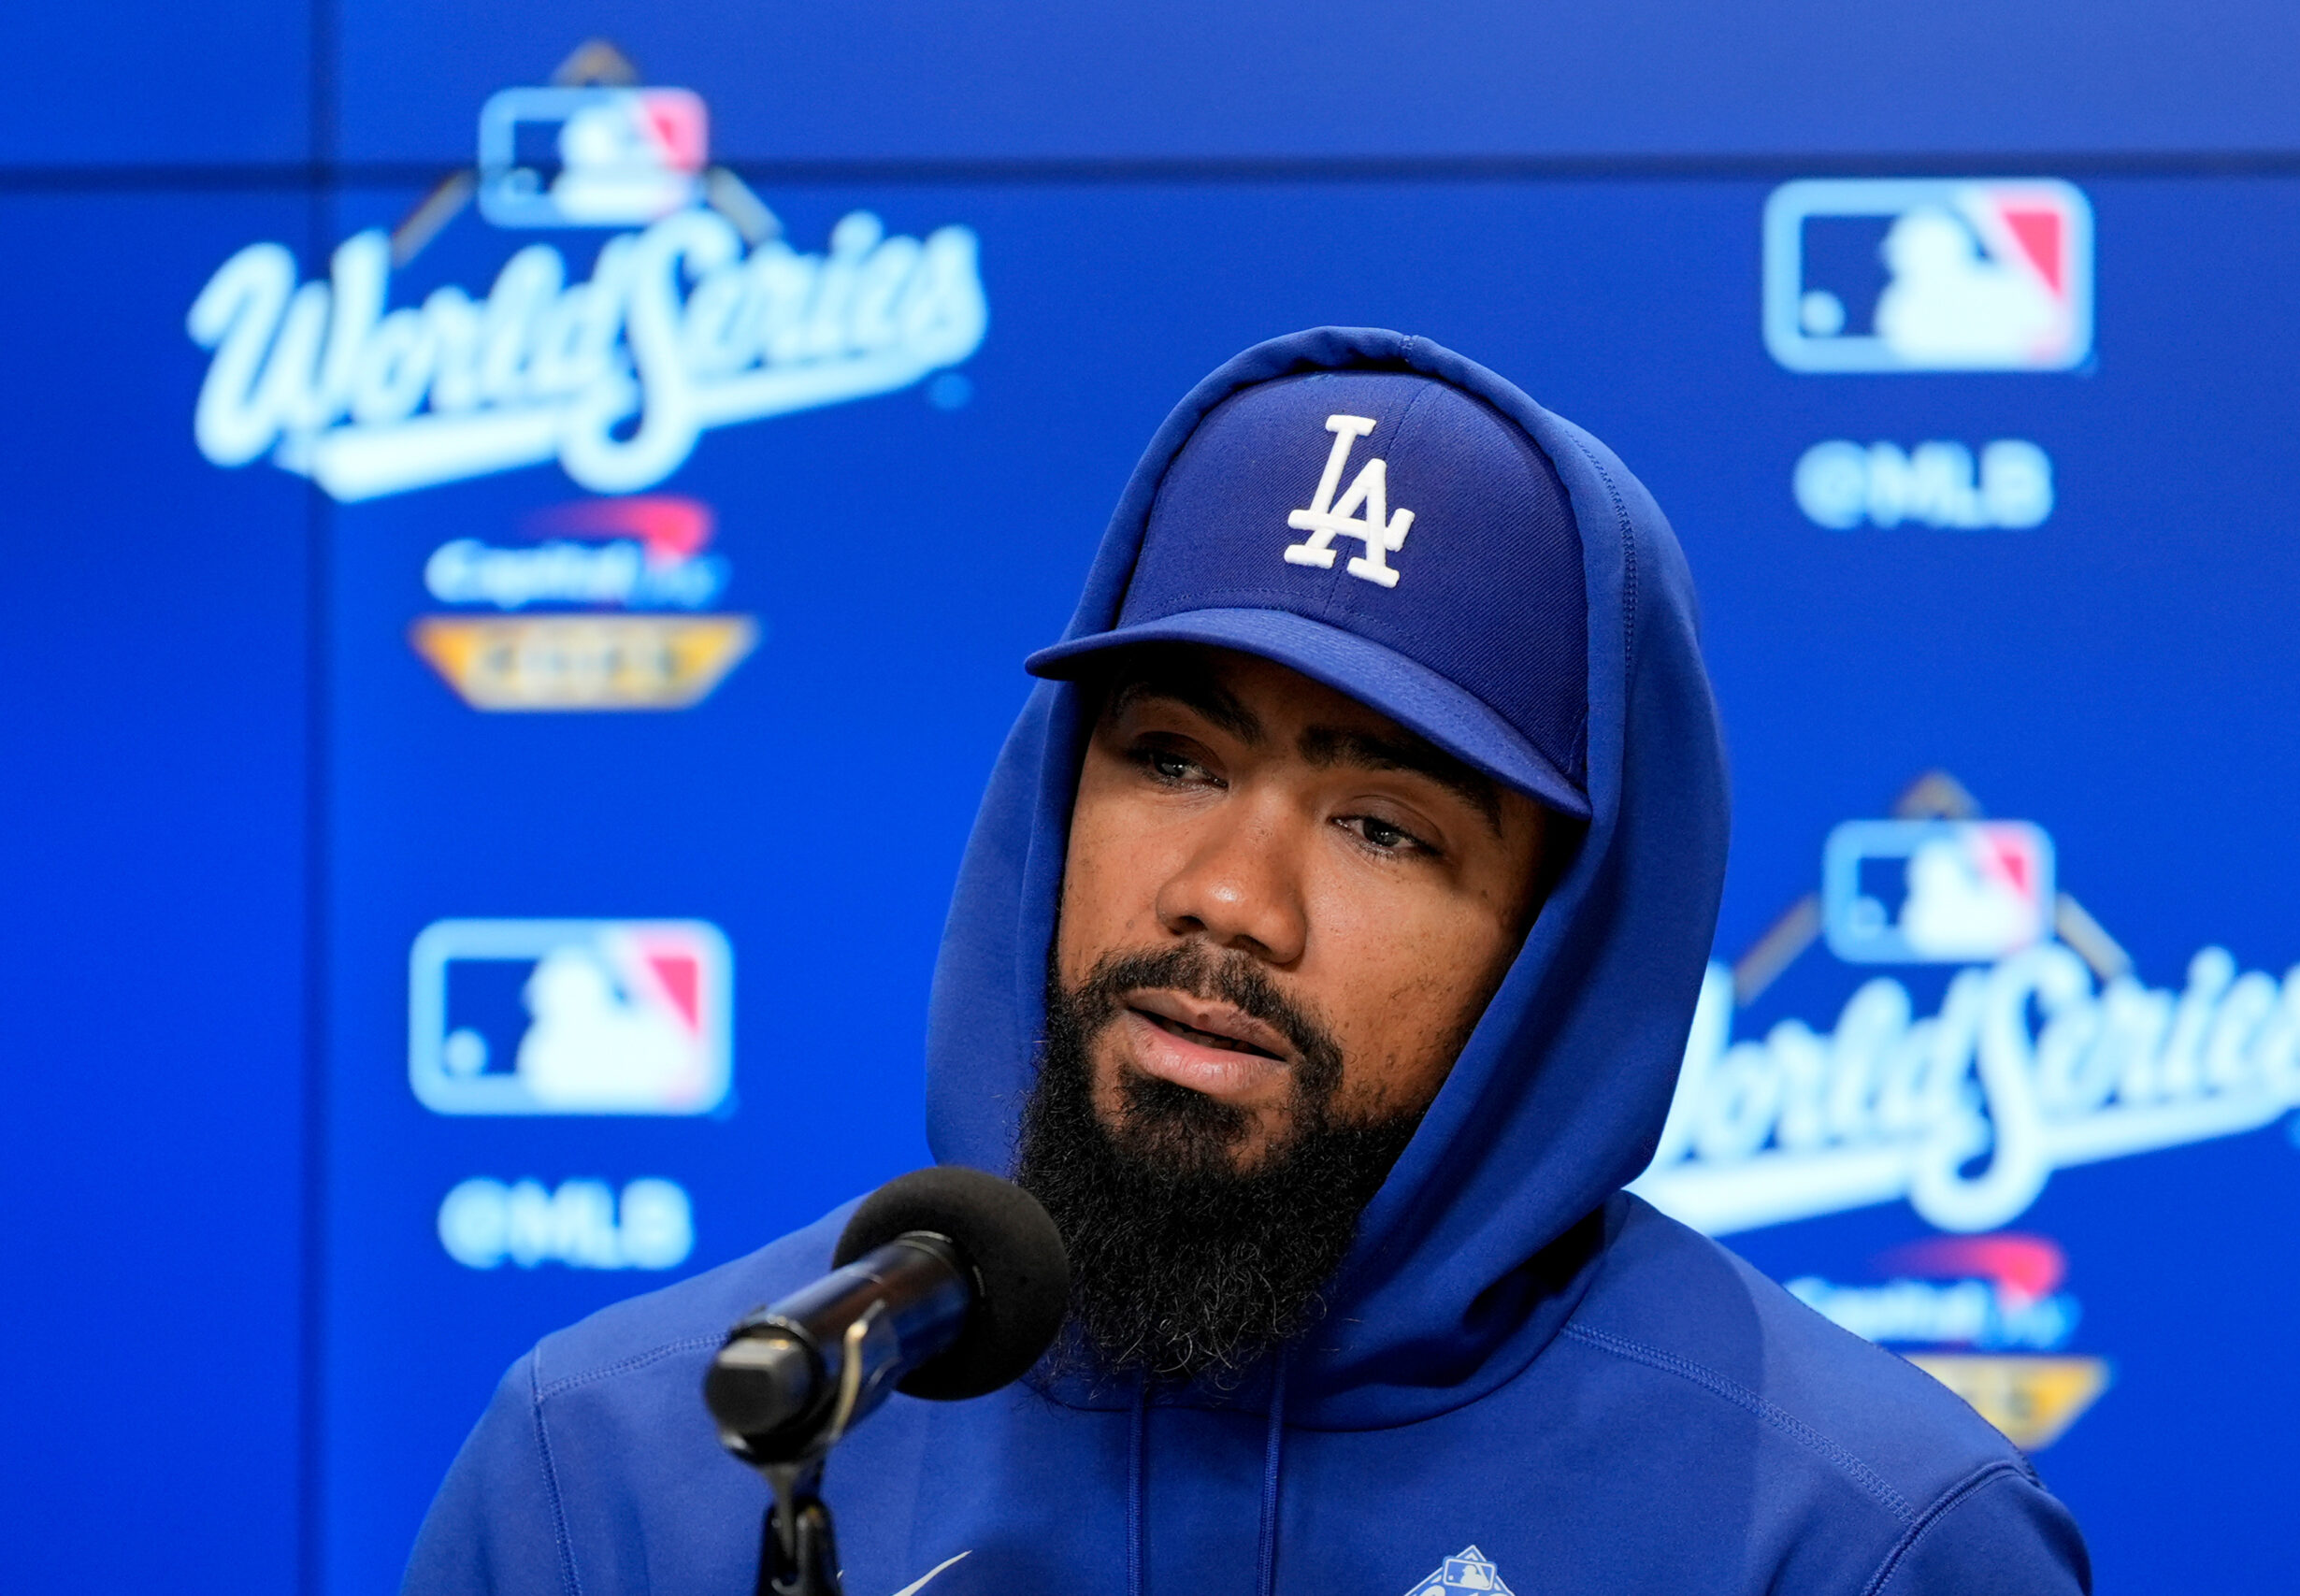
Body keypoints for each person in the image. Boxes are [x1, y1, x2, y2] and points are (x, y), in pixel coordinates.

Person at [403, 328, 2092, 1596]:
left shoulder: (1855, 1543)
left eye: (1384, 827)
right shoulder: (630, 1474)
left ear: (1560, 946)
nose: (1228, 898)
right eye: (1174, 760)